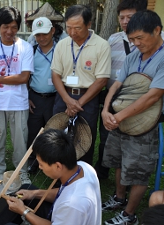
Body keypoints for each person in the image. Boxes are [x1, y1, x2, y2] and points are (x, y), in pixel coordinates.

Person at [101, 10, 164, 225]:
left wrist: (117, 117)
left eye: (140, 38)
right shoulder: (133, 56)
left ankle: (129, 215)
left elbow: (152, 96)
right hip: (120, 120)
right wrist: (106, 110)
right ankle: (119, 198)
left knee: (139, 170)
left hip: (144, 125)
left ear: (157, 30)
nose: (136, 43)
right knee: (119, 160)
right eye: (132, 39)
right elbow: (116, 85)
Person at [94, 0, 156, 180]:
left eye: (130, 16)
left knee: (134, 138)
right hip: (113, 95)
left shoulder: (157, 41)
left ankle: (131, 177)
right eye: (122, 17)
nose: (125, 21)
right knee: (107, 134)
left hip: (141, 100)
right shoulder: (113, 40)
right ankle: (103, 171)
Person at [51, 4, 111, 165]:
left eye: (77, 28)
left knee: (85, 138)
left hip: (88, 99)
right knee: (58, 134)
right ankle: (58, 172)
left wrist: (78, 104)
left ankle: (82, 173)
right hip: (63, 96)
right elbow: (55, 74)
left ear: (88, 24)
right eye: (68, 27)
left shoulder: (101, 45)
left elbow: (102, 80)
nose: (72, 32)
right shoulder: (63, 44)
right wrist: (68, 100)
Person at [0, 6, 33, 184]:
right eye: (5, 26)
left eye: (13, 27)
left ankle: (22, 171)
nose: (9, 31)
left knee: (21, 141)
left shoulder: (25, 47)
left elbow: (24, 77)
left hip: (19, 103)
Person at [5, 129, 102, 225]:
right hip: (66, 216)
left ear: (58, 166)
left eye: (41, 164)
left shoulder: (73, 204)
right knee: (26, 188)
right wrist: (34, 193)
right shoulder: (84, 167)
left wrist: (23, 211)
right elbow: (62, 192)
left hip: (67, 216)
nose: (39, 167)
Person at [26, 17, 56, 174]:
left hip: (54, 98)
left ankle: (50, 161)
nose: (41, 38)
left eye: (45, 34)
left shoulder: (61, 50)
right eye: (38, 35)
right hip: (35, 98)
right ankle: (32, 161)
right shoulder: (31, 51)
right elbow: (25, 76)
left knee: (52, 131)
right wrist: (27, 96)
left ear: (52, 31)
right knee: (33, 130)